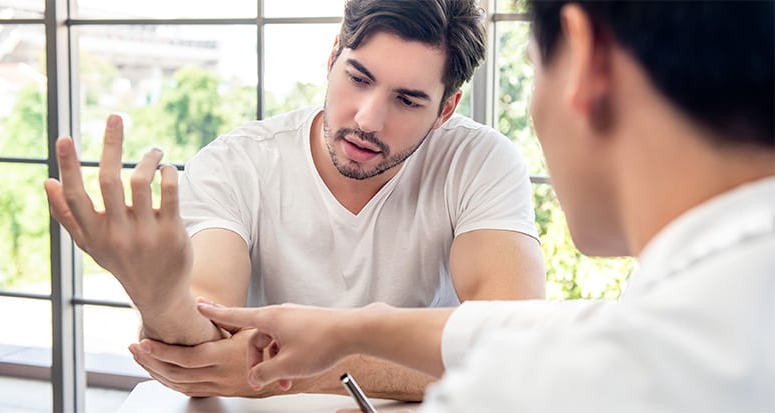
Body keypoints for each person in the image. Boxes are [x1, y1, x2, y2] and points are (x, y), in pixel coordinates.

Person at [196, 0, 775, 411]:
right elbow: (528, 330)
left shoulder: (606, 369)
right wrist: (356, 330)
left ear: (584, 56)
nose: (369, 119)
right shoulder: (720, 300)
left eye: (531, 65)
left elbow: (522, 353)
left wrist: (324, 355)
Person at [43, 0, 546, 401]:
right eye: (359, 78)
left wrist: (314, 364)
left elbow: (511, 347)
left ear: (446, 109)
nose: (368, 119)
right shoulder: (237, 163)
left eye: (407, 100)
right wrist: (157, 293)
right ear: (332, 57)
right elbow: (205, 348)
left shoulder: (479, 161)